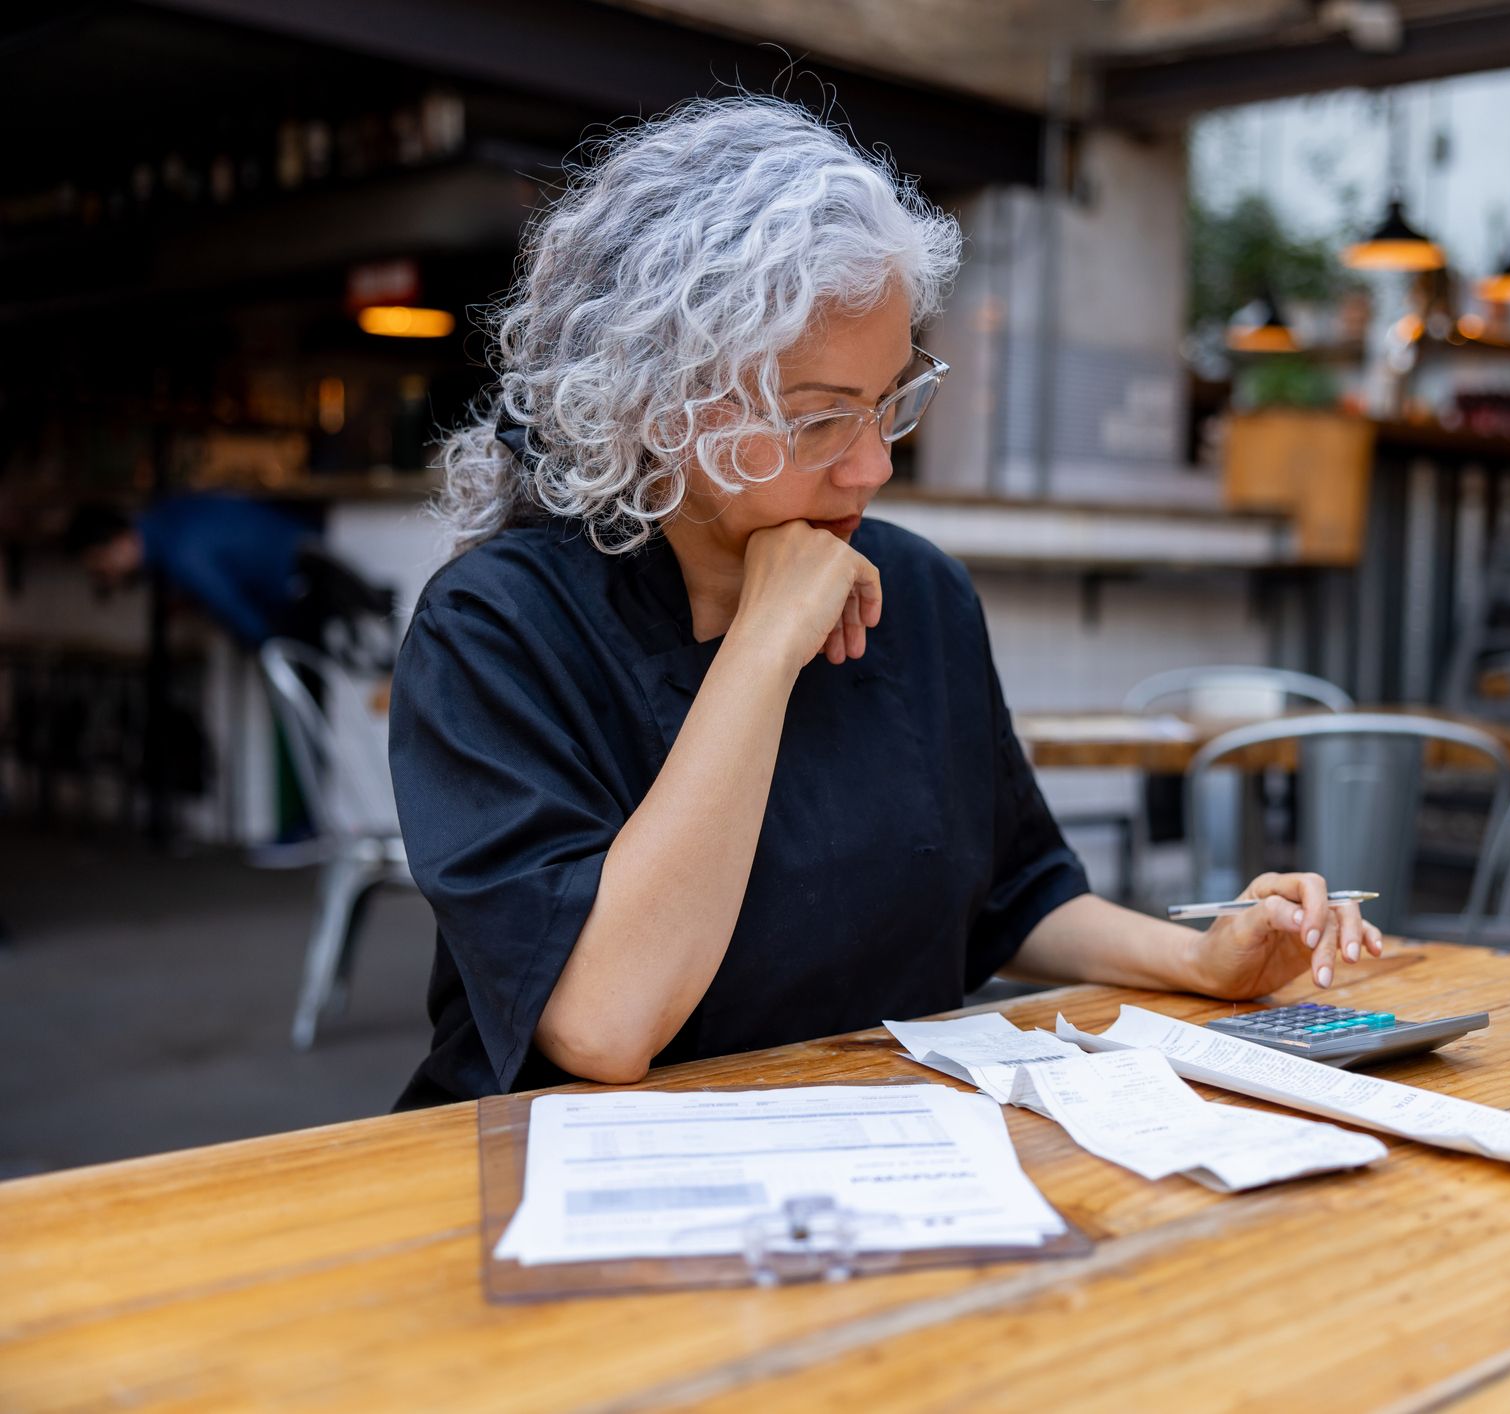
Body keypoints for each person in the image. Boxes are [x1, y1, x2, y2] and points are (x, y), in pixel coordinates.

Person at [388, 97, 1383, 1110]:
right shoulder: (496, 631)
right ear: (655, 406)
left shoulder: (915, 592)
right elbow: (603, 1024)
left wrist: (1199, 962)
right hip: (563, 1191)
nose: (872, 466)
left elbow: (1016, 894)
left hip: (889, 1152)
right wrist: (765, 643)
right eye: (820, 420)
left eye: (889, 403)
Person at [64, 496, 394, 664]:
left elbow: (230, 604)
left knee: (373, 663)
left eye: (100, 564)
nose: (106, 574)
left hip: (303, 580)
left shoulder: (178, 552)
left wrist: (259, 640)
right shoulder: (166, 515)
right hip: (305, 550)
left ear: (118, 544)